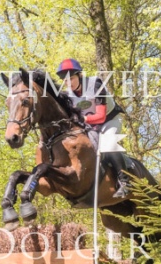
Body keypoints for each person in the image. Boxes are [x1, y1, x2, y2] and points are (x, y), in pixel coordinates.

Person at [56, 58, 134, 198]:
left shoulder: (95, 84)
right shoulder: (68, 95)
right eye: (65, 80)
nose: (69, 83)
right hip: (90, 125)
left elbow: (101, 116)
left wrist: (83, 119)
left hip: (110, 120)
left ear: (79, 75)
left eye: (71, 79)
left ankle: (125, 182)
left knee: (107, 144)